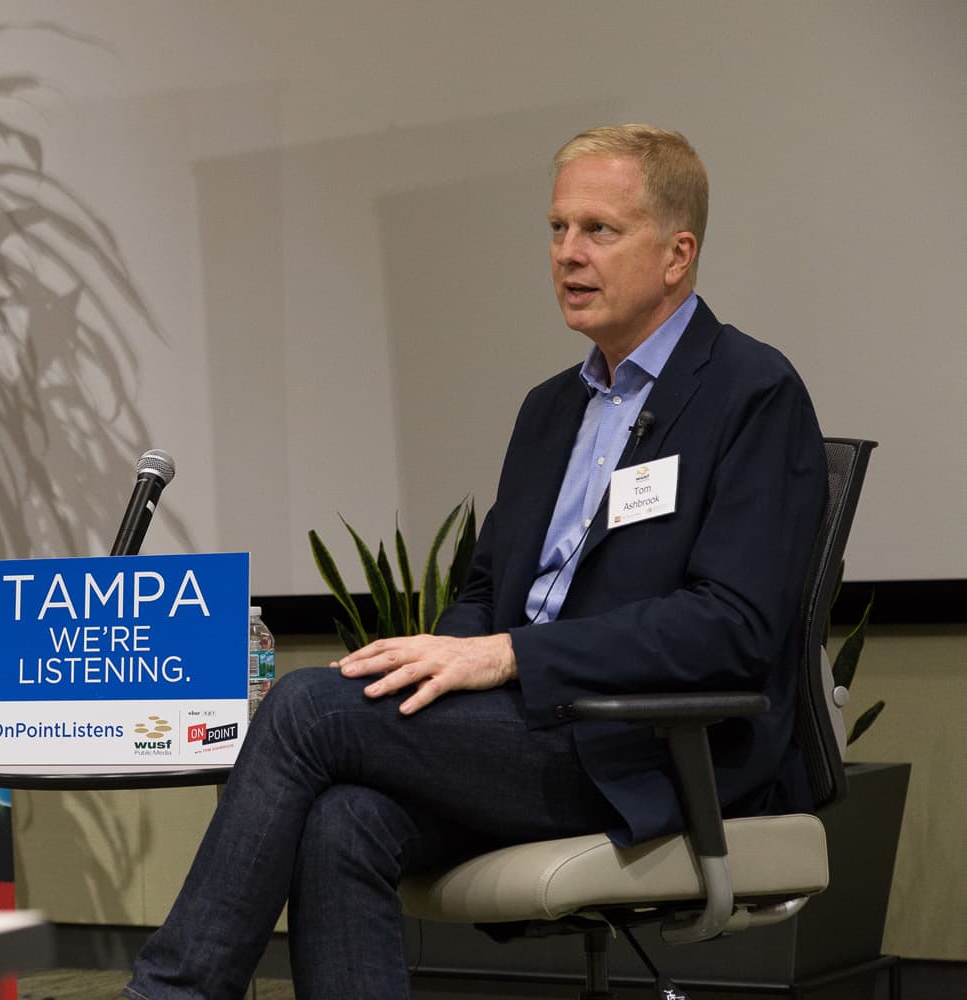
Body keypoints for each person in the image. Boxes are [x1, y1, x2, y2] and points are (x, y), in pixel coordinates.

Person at [124, 125, 827, 998]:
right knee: (342, 822)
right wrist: (446, 664)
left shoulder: (752, 394)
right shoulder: (551, 410)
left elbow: (732, 627)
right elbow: (491, 588)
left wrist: (504, 658)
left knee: (308, 707)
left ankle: (171, 993)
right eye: (557, 228)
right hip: (525, 729)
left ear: (678, 253)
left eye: (598, 230)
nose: (567, 253)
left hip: (644, 746)